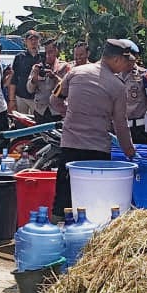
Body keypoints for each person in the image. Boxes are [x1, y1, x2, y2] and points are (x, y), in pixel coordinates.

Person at [49, 39, 137, 218]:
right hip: (97, 152)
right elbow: (120, 124)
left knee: (64, 197)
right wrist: (130, 152)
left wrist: (70, 114)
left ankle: (58, 234)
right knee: (95, 200)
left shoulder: (75, 72)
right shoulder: (118, 86)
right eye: (125, 61)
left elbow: (54, 100)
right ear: (117, 60)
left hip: (70, 146)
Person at [120, 43, 147, 145]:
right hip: (118, 128)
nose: (126, 63)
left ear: (136, 58)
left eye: (129, 59)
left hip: (139, 129)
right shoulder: (112, 75)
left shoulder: (146, 75)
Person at [25, 37, 63, 123]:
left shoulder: (64, 67)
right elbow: (29, 90)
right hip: (40, 111)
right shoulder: (38, 67)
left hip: (57, 112)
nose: (47, 55)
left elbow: (67, 89)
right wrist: (34, 78)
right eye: (46, 52)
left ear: (56, 51)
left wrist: (55, 77)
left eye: (50, 52)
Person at [9, 30, 42, 115]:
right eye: (31, 39)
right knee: (21, 122)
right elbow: (14, 79)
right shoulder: (19, 57)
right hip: (21, 96)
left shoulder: (43, 57)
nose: (33, 41)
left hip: (37, 98)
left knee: (37, 124)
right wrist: (12, 100)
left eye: (36, 39)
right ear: (26, 41)